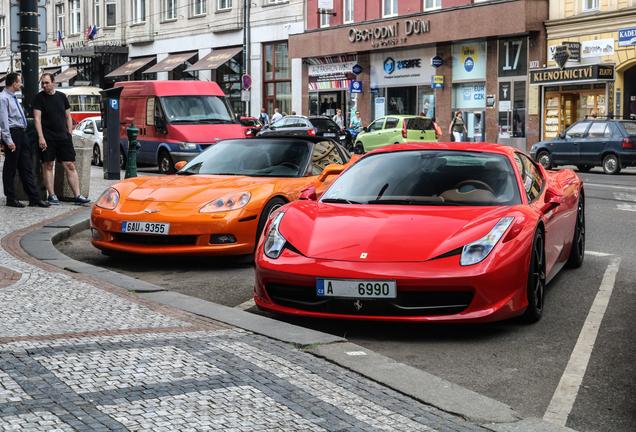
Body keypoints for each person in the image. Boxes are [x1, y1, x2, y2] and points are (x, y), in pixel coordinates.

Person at [33, 73, 90, 204]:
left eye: (47, 83)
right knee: (48, 164)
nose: (44, 85)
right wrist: (41, 137)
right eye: (42, 83)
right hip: (47, 137)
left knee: (69, 164)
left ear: (53, 82)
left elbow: (68, 117)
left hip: (63, 137)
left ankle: (78, 195)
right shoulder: (39, 98)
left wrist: (69, 134)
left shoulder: (61, 96)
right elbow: (37, 119)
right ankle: (52, 195)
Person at [0, 73, 51, 208]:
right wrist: (8, 140)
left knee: (26, 167)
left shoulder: (13, 97)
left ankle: (34, 198)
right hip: (13, 134)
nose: (22, 84)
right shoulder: (3, 98)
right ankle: (11, 198)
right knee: (10, 168)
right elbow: (4, 121)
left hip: (22, 134)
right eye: (20, 81)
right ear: (14, 84)